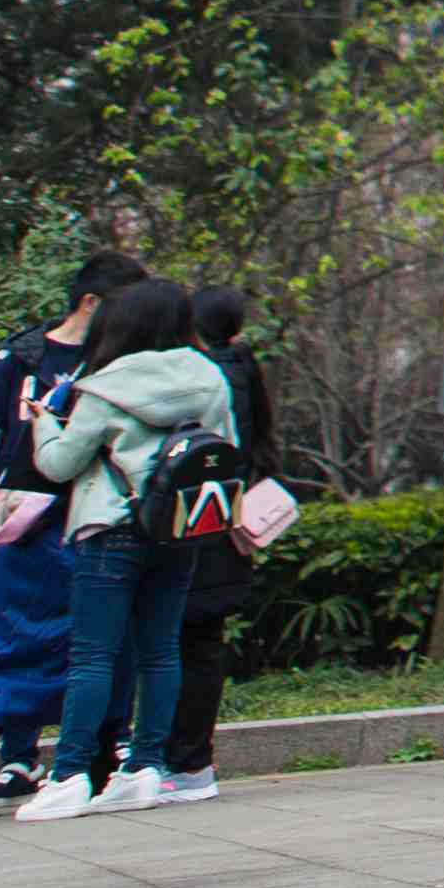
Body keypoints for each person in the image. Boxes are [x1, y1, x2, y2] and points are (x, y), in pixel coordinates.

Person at [16, 274, 234, 820]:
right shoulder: (210, 379)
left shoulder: (106, 385)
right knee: (160, 651)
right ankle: (144, 768)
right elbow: (228, 450)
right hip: (178, 530)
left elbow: (60, 464)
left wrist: (43, 426)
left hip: (111, 530)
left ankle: (67, 776)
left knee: (93, 654)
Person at [0, 248, 130, 819]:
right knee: (29, 641)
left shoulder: (116, 360)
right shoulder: (18, 357)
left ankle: (36, 759)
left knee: (75, 645)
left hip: (88, 526)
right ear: (91, 301)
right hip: (32, 528)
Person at [153, 284, 281, 800]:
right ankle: (191, 761)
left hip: (197, 526)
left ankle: (177, 760)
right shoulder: (246, 370)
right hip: (227, 527)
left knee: (182, 642)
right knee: (203, 644)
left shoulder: (206, 379)